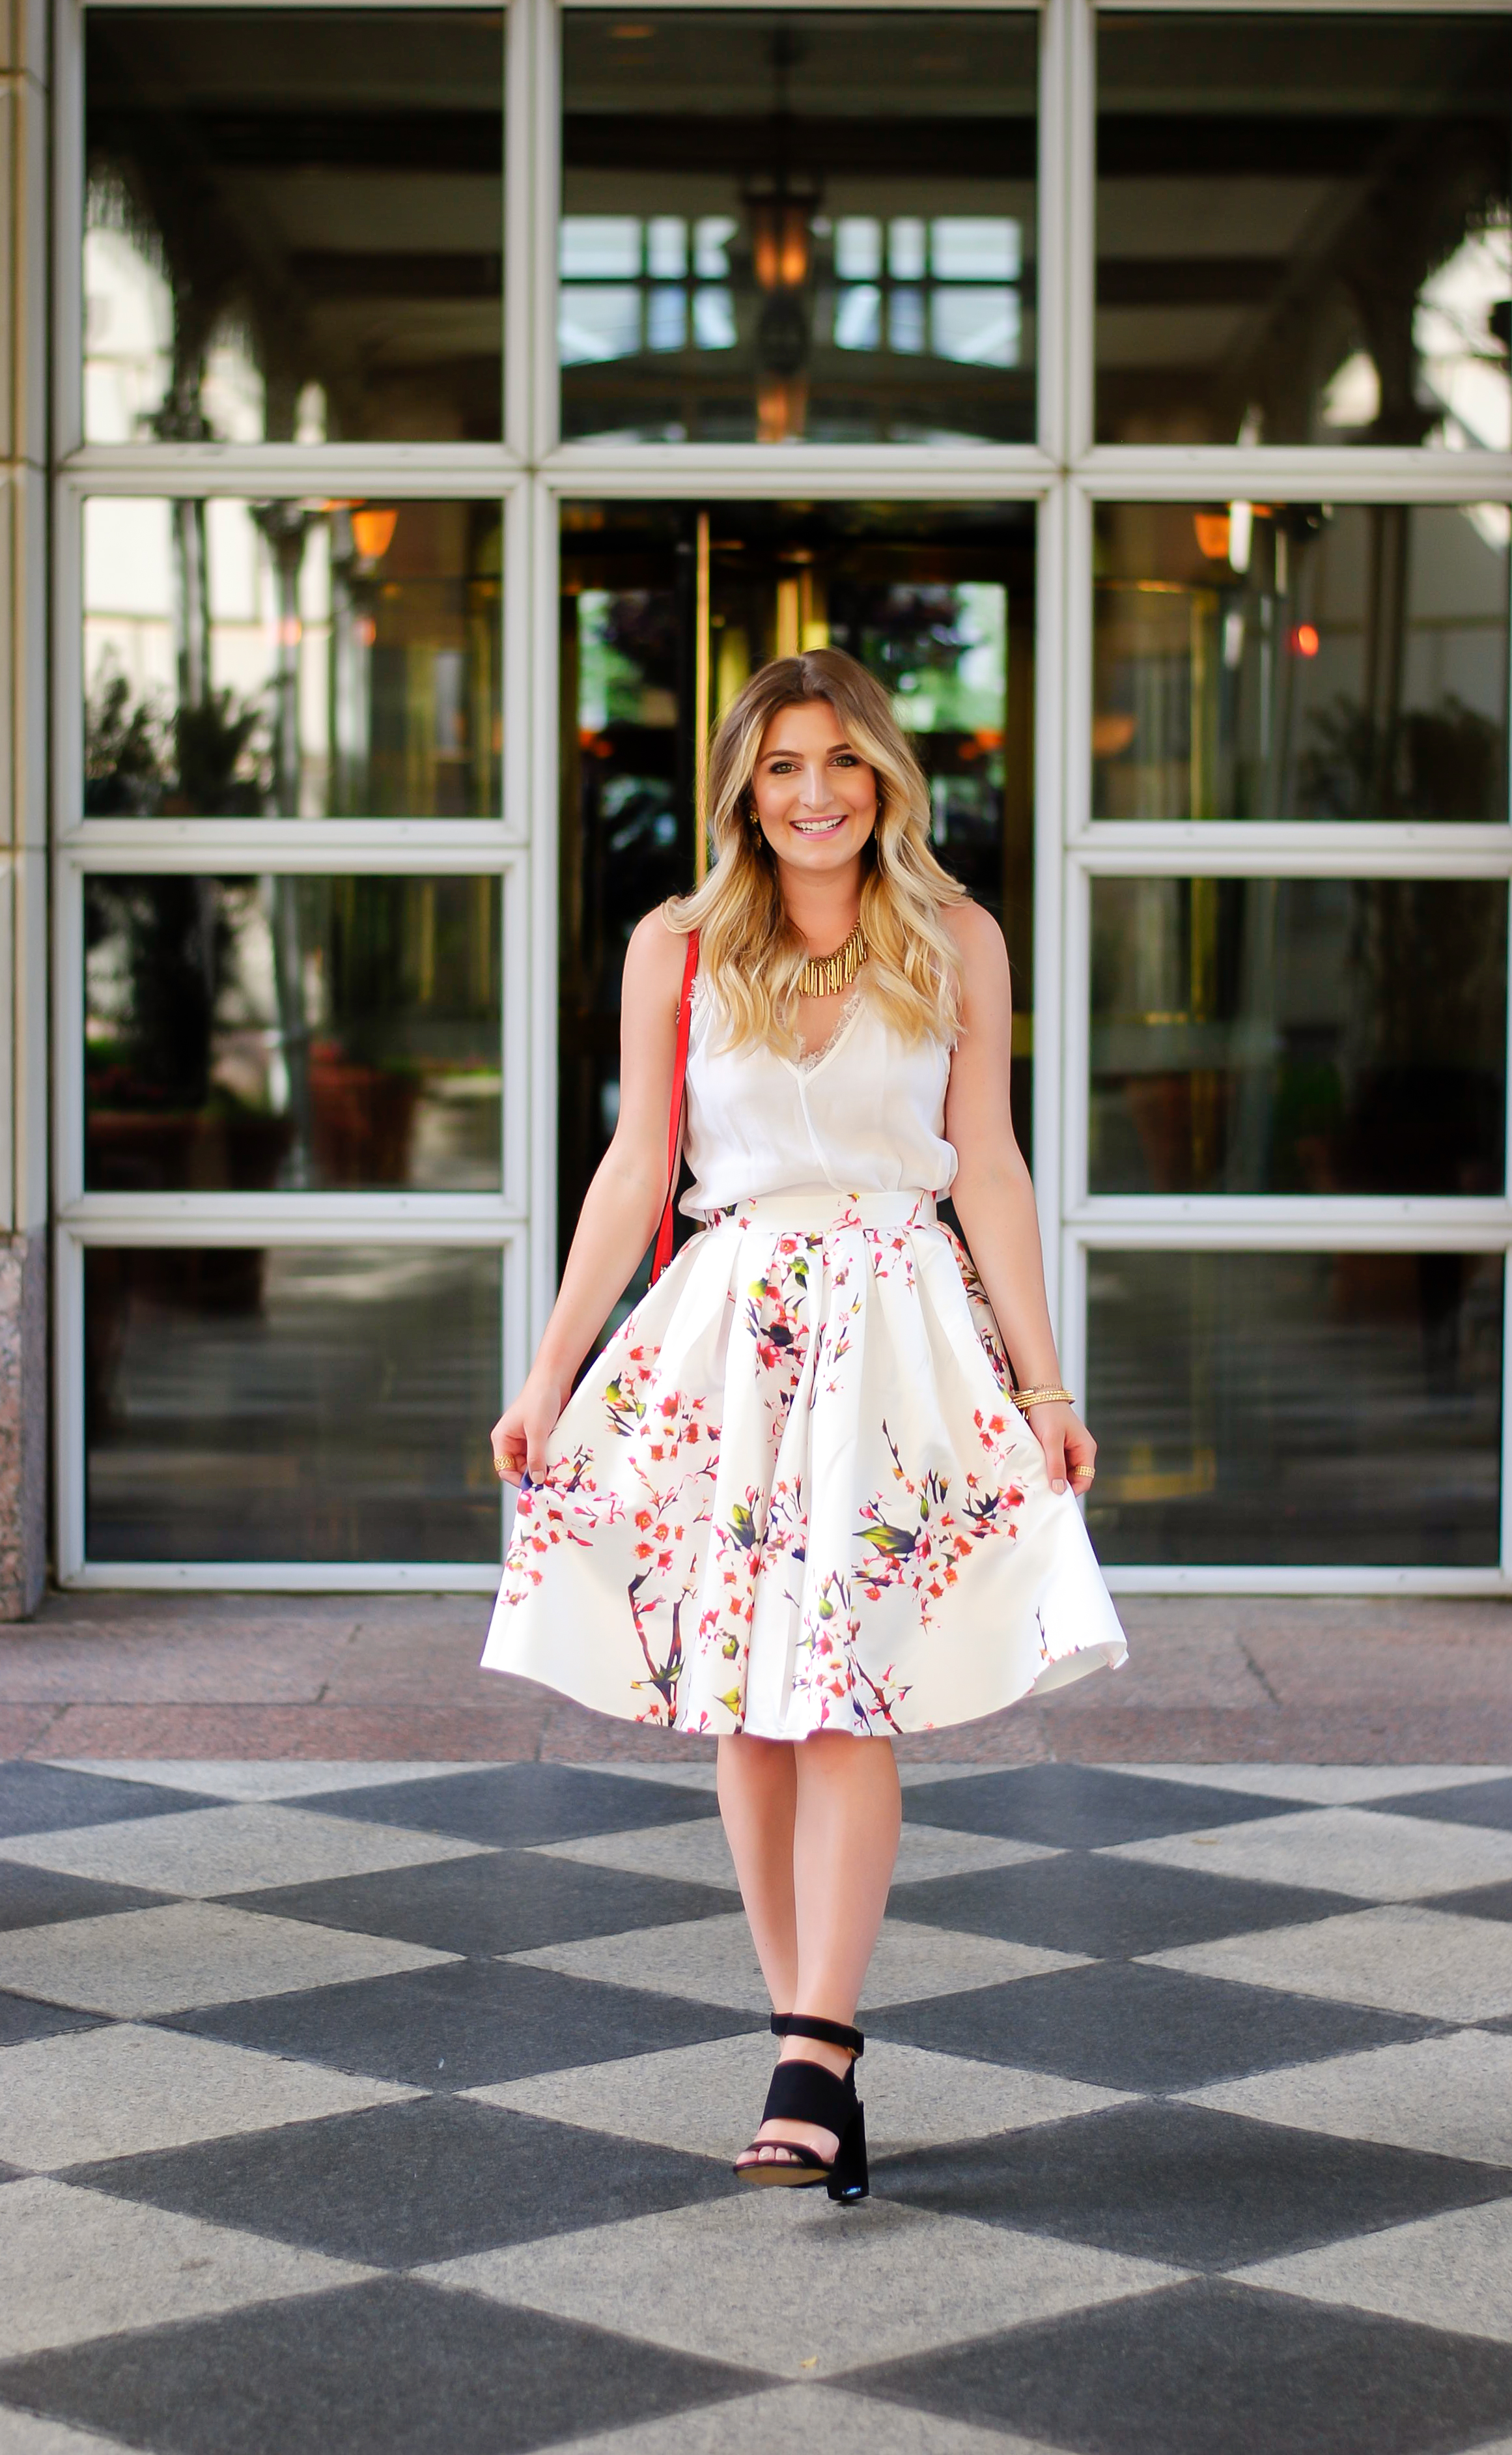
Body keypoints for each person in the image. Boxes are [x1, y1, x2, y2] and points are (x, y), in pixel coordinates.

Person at [484, 647, 1127, 2202]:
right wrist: (550, 1368)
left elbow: (989, 1168)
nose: (814, 793)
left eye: (840, 762)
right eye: (781, 766)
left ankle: (813, 2056)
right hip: (733, 1335)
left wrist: (1041, 1384)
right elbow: (636, 1168)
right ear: (741, 788)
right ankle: (806, 2039)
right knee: (748, 1710)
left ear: (884, 777)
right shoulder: (680, 945)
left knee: (843, 1693)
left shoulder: (954, 935)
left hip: (897, 1331)